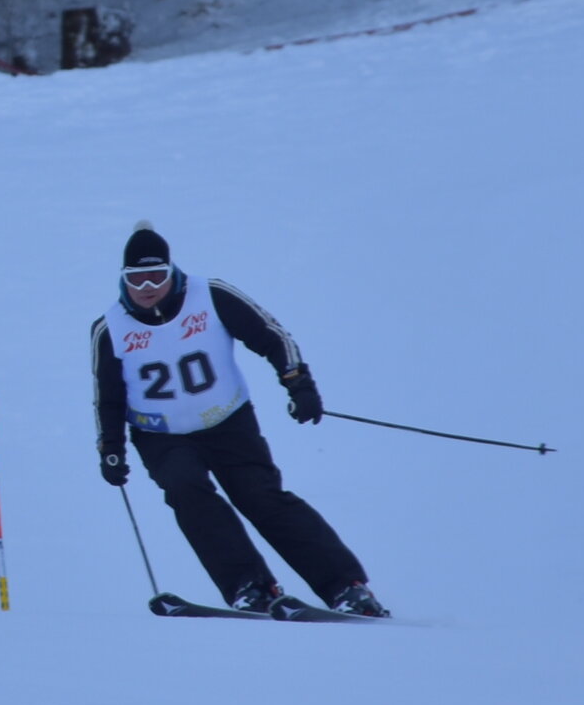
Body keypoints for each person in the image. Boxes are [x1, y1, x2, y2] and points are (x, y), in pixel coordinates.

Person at [92, 222, 388, 617]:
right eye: (136, 279)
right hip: (161, 434)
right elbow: (108, 397)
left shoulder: (210, 295)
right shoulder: (110, 328)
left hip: (228, 423)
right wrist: (111, 449)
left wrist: (298, 384)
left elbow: (272, 335)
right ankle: (250, 587)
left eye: (157, 276)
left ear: (171, 270)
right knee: (186, 491)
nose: (147, 287)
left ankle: (346, 588)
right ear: (123, 279)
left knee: (260, 497)